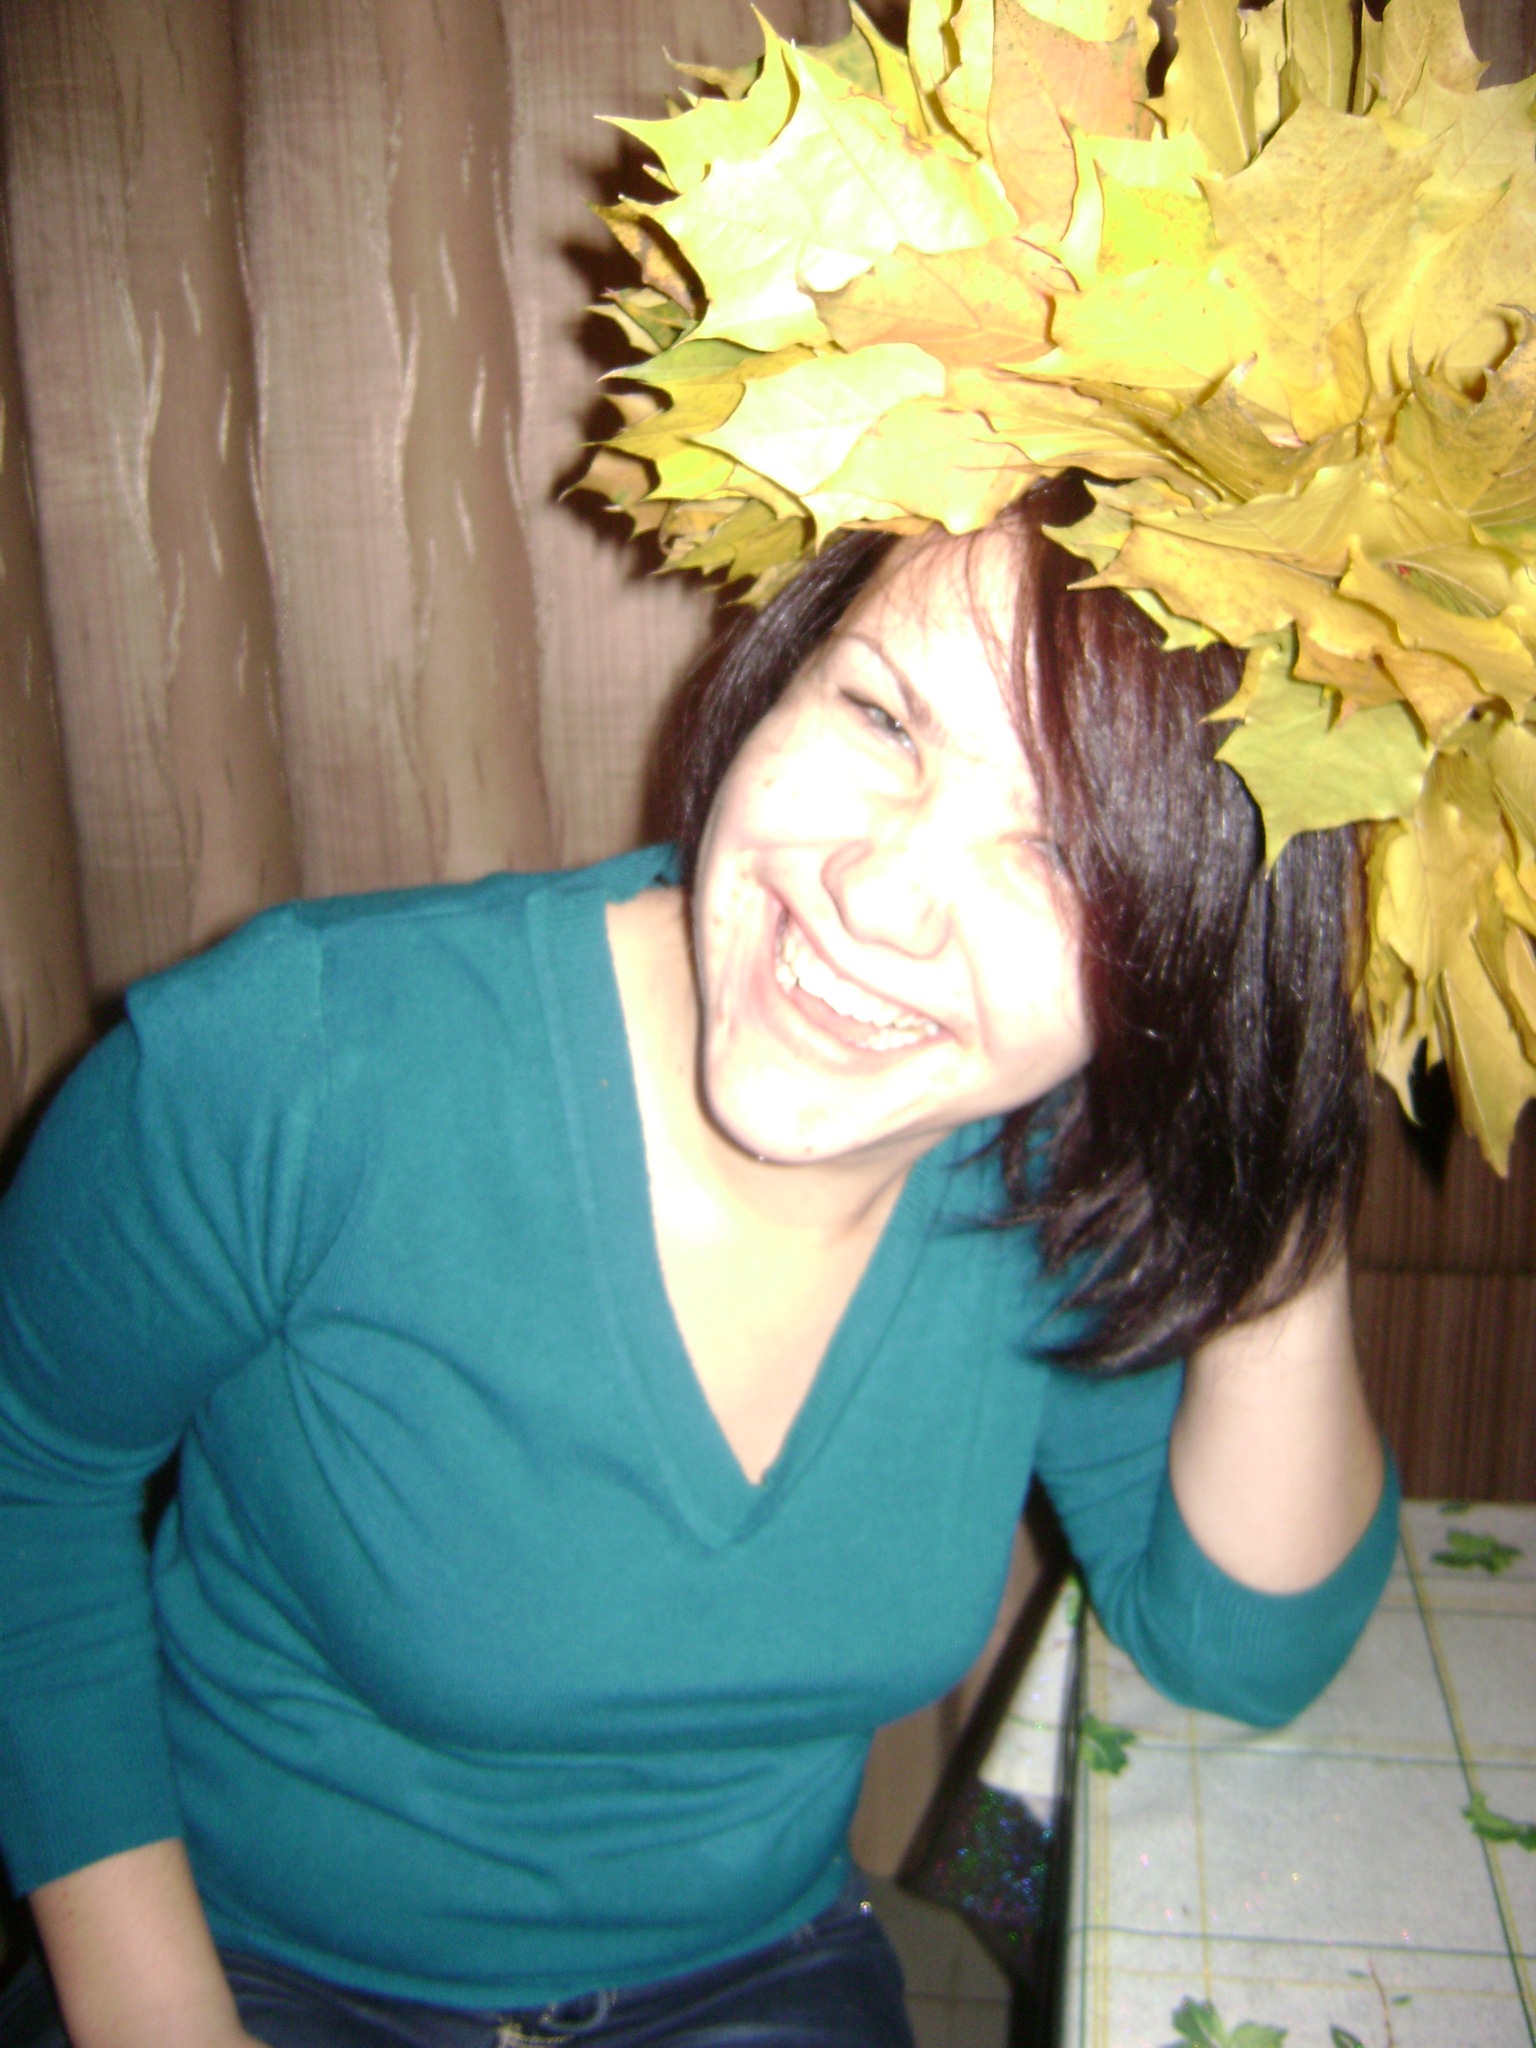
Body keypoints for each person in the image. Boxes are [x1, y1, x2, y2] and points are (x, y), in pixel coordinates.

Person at [0, 476, 1396, 2048]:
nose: (880, 895)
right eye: (883, 717)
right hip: (251, 1961)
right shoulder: (305, 1064)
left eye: (1066, 851)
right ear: (780, 672)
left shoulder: (1050, 1178)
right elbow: (27, 1479)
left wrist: (1270, 1150)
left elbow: (1237, 1648)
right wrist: (155, 2011)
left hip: (751, 1975)